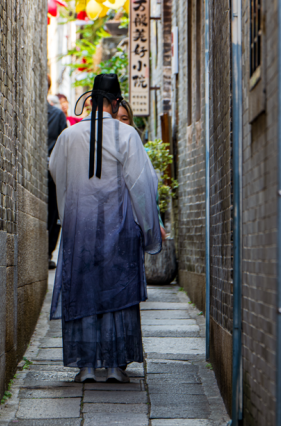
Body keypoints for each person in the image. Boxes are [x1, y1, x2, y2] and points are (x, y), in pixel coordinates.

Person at [49, 73, 162, 384]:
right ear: (115, 103)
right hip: (120, 227)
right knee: (118, 292)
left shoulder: (69, 137)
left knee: (83, 291)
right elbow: (142, 186)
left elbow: (58, 175)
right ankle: (114, 365)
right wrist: (149, 232)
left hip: (80, 228)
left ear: (90, 101)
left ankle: (85, 366)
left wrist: (69, 215)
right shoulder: (127, 136)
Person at [48, 79, 67, 270]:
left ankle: (46, 252)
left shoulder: (56, 114)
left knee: (54, 213)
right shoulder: (57, 115)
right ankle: (47, 252)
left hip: (51, 172)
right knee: (55, 213)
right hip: (53, 173)